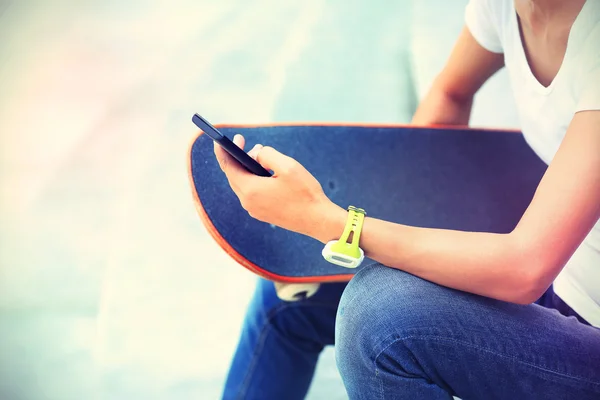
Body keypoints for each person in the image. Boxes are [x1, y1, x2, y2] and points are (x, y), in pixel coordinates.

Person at [217, 0, 600, 398]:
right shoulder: (504, 7)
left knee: (379, 320)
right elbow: (449, 97)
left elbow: (525, 268)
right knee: (292, 292)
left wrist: (327, 221)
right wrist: (402, 217)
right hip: (564, 280)